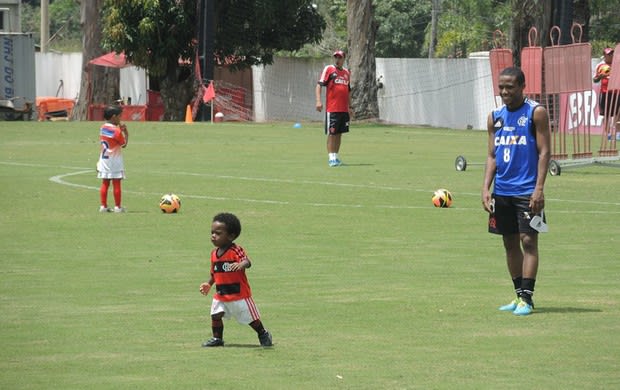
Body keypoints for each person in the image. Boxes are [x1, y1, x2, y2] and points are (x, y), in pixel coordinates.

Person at [481, 67, 551, 316]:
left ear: (522, 86)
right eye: (501, 87)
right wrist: (485, 188)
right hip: (502, 192)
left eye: (509, 87)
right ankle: (518, 296)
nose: (504, 92)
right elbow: (491, 155)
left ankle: (528, 299)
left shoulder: (536, 113)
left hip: (527, 191)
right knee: (509, 242)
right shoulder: (495, 117)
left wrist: (539, 189)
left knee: (529, 241)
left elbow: (544, 152)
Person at [199, 212, 272, 347]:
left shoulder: (235, 250)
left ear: (231, 236)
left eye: (218, 233)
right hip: (221, 294)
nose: (213, 236)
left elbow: (247, 261)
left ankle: (263, 333)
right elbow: (214, 273)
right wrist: (208, 284)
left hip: (239, 294)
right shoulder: (214, 254)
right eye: (212, 232)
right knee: (215, 315)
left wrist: (240, 265)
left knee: (252, 320)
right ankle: (217, 339)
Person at [315, 50, 352, 167]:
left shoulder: (346, 73)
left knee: (339, 133)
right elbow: (319, 85)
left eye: (339, 57)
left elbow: (348, 91)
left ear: (344, 59)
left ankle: (336, 157)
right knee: (332, 133)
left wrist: (350, 107)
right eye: (335, 57)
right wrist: (318, 101)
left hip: (343, 110)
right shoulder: (329, 69)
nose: (337, 59)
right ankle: (331, 158)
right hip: (333, 109)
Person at [96, 105, 128, 213]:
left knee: (105, 183)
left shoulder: (102, 128)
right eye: (119, 116)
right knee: (116, 183)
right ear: (114, 117)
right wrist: (125, 132)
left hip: (104, 159)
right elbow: (123, 144)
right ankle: (118, 207)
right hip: (114, 160)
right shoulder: (117, 131)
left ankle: (103, 206)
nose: (120, 119)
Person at [593, 47, 619, 140]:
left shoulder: (617, 64)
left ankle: (617, 134)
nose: (611, 55)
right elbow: (595, 80)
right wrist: (600, 77)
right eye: (609, 54)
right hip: (605, 92)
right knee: (606, 114)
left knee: (618, 113)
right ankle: (608, 135)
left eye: (612, 54)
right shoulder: (600, 65)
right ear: (604, 55)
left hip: (617, 91)